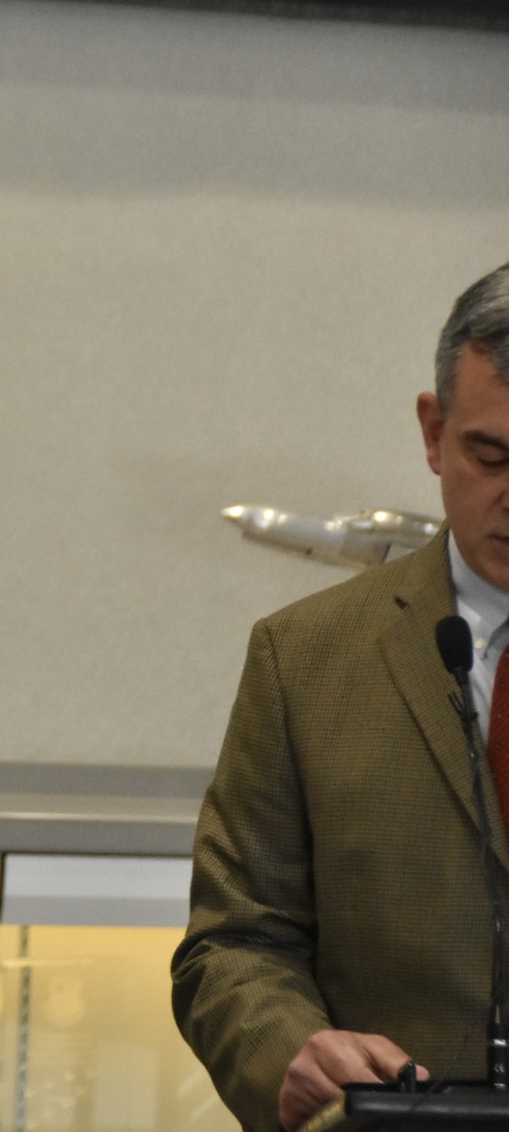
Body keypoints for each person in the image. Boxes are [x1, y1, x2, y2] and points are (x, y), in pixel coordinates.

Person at [174, 261, 509, 1130]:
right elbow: (233, 944)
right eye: (493, 455)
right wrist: (291, 1049)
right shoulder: (305, 658)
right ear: (433, 431)